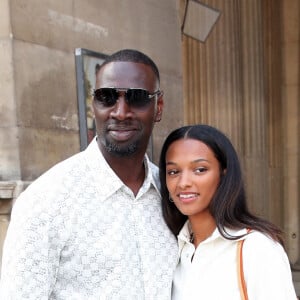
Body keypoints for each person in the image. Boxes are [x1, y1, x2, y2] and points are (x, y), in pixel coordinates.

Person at [0, 49, 178, 299]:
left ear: (158, 107)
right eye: (107, 97)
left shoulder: (174, 194)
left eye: (137, 98)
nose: (120, 112)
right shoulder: (45, 201)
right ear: (94, 105)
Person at [159, 124, 297, 299]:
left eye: (200, 169)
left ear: (224, 173)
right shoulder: (173, 250)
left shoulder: (258, 249)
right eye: (173, 171)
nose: (183, 182)